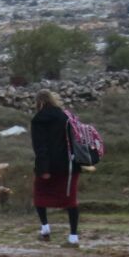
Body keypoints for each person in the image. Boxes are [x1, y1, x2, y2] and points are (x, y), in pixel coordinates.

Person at [31, 89, 81, 247]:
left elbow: (41, 147)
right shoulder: (66, 116)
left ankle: (45, 229)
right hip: (70, 165)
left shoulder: (38, 120)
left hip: (50, 166)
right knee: (70, 200)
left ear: (38, 102)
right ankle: (73, 237)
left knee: (40, 195)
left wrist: (44, 169)